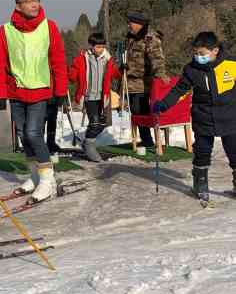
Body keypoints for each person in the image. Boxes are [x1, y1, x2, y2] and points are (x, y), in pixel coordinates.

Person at [0, 0, 68, 201]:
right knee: (23, 135)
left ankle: (47, 181)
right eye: (29, 1)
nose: (35, 4)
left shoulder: (48, 27)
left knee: (34, 133)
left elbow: (58, 60)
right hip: (16, 93)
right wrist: (0, 94)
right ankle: (35, 176)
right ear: (18, 5)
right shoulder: (5, 31)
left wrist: (61, 90)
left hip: (40, 91)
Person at [153, 31, 236, 203]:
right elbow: (179, 90)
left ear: (215, 50)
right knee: (202, 152)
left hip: (230, 117)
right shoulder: (191, 69)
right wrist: (164, 104)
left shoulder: (231, 64)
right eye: (196, 53)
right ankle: (200, 184)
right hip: (203, 117)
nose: (198, 57)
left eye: (202, 53)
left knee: (234, 152)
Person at [68, 32, 122, 162]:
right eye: (98, 47)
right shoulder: (82, 59)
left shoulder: (107, 59)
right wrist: (67, 73)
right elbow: (73, 74)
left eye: (103, 46)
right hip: (89, 96)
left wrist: (122, 69)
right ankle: (89, 145)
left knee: (103, 123)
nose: (101, 49)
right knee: (95, 121)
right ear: (91, 46)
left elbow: (115, 74)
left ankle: (87, 141)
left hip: (102, 96)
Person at [124, 11, 167, 149]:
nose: (128, 25)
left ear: (139, 24)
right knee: (136, 111)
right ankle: (146, 139)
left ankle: (149, 141)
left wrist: (160, 79)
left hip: (145, 83)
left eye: (130, 22)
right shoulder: (131, 37)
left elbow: (157, 59)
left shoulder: (150, 38)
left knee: (144, 111)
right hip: (131, 83)